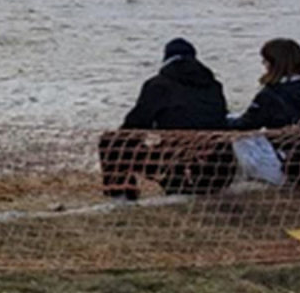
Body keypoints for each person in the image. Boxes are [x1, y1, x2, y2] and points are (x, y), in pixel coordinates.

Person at [99, 38, 232, 198]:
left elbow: (134, 126)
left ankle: (122, 194)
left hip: (180, 167)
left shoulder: (158, 85)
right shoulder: (214, 86)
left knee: (112, 142)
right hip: (221, 169)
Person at [228, 37, 300, 187]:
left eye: (265, 61)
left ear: (274, 64)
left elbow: (247, 124)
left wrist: (220, 120)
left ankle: (246, 174)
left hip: (281, 167)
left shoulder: (271, 94)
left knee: (238, 133)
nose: (264, 65)